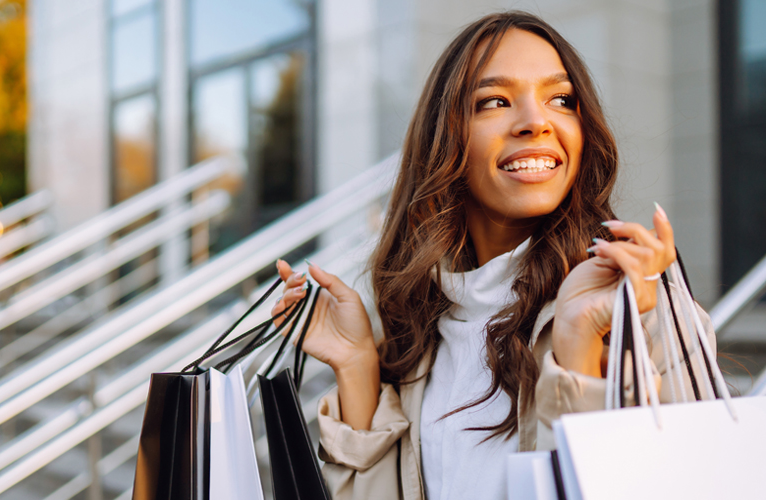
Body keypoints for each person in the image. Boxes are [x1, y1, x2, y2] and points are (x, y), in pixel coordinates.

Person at [271, 11, 716, 500]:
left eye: (561, 99)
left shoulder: (645, 312)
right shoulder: (415, 322)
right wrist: (357, 367)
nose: (535, 122)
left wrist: (578, 347)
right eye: (495, 101)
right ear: (445, 139)